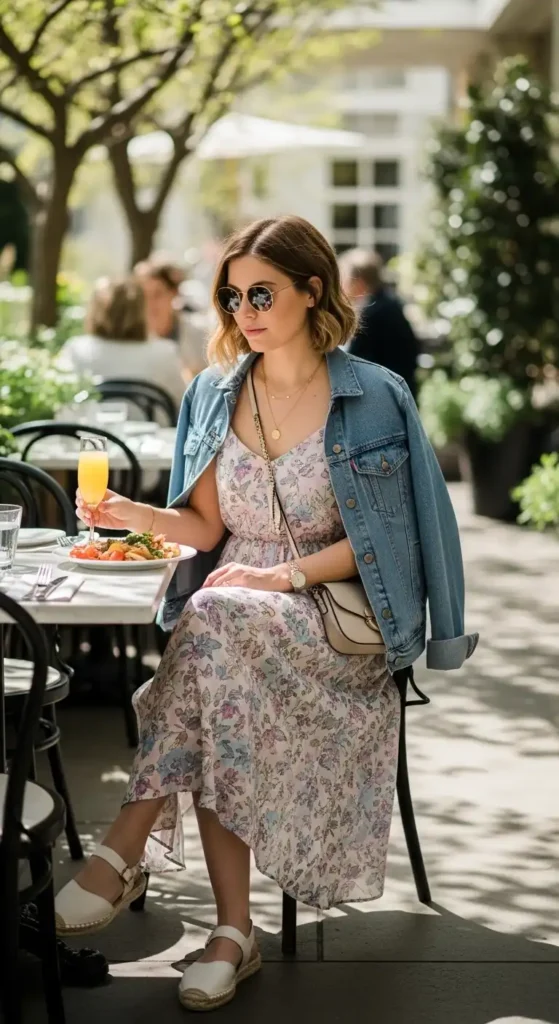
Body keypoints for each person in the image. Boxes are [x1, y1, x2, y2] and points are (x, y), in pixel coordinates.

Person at [54, 216, 478, 1012]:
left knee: (212, 625)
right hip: (233, 626)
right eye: (231, 295)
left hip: (335, 624)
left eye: (261, 292)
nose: (243, 309)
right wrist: (128, 514)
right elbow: (205, 531)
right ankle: (231, 932)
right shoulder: (213, 393)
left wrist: (279, 576)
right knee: (218, 656)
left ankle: (125, 851)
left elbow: (390, 540)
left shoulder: (375, 396)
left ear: (310, 290)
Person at [58, 276, 187, 410]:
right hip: (149, 429)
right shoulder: (165, 352)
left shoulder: (77, 350)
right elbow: (183, 406)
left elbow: (62, 404)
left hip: (91, 429)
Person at [339, 248, 420, 400]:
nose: (340, 286)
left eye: (344, 279)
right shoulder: (387, 303)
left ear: (359, 283)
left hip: (386, 400)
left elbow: (353, 362)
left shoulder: (373, 314)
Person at [134, 254, 210, 380]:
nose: (150, 304)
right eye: (144, 295)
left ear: (174, 293)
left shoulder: (202, 334)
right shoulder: (133, 338)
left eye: (157, 294)